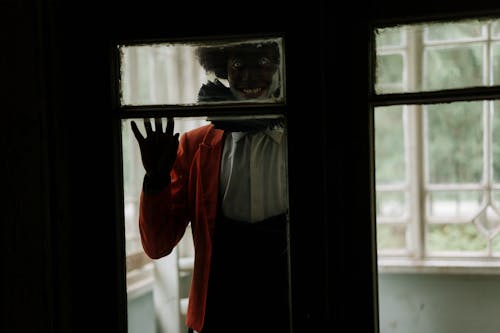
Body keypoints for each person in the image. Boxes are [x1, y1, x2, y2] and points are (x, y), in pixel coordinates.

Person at [131, 40, 290, 333]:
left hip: (291, 308)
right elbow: (157, 245)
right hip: (219, 313)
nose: (250, 76)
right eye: (239, 65)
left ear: (282, 68)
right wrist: (156, 181)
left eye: (263, 64)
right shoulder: (194, 147)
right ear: (224, 70)